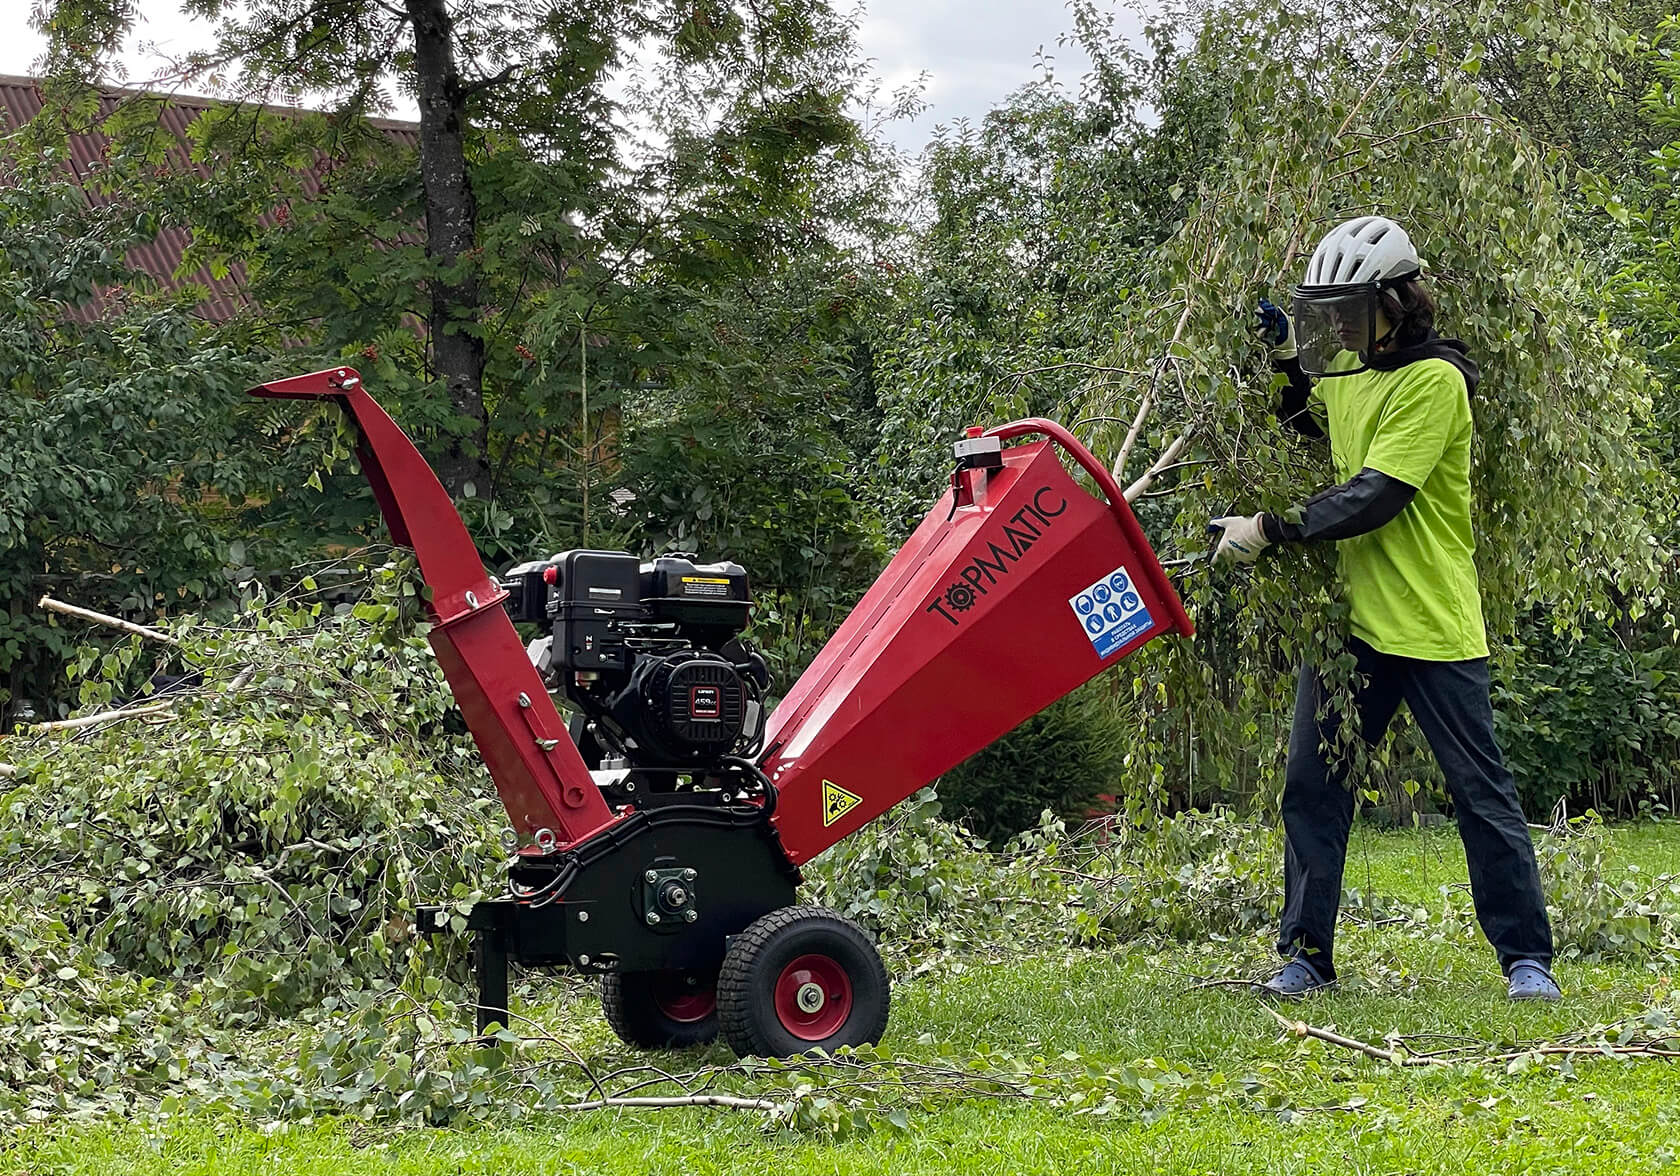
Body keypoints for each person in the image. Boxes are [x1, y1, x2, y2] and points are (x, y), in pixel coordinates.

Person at [1209, 215, 1560, 1001]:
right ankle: (1304, 957)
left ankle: (1526, 959)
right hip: (1350, 631)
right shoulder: (1352, 376)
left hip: (1432, 624)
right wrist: (1281, 363)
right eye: (1324, 312)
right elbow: (1309, 432)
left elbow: (1375, 496)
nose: (1334, 324)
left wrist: (1269, 529)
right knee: (1313, 789)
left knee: (1479, 793)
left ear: (1395, 303)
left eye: (1346, 309)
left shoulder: (1435, 381)